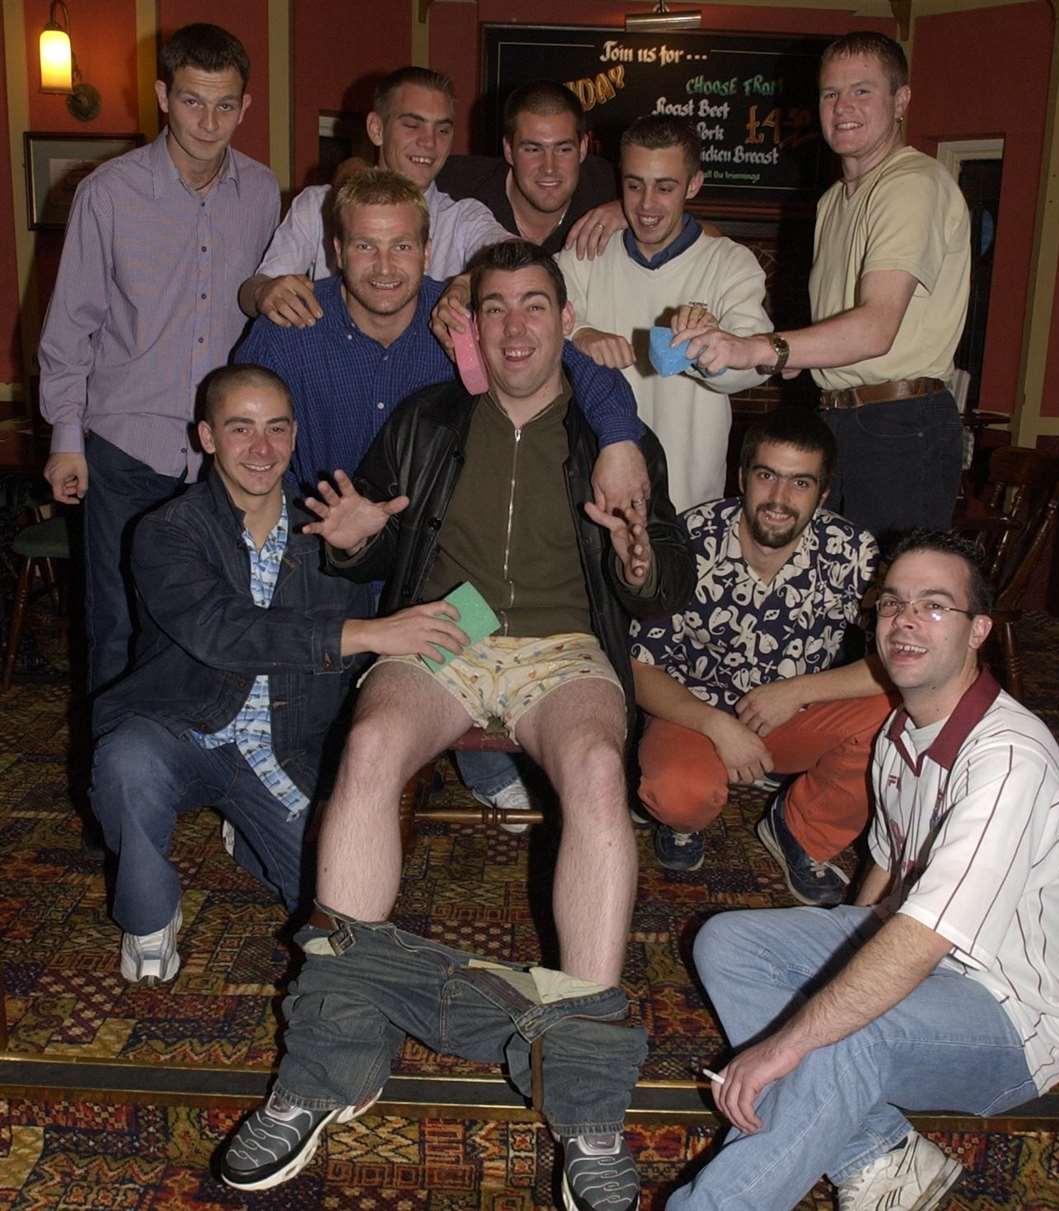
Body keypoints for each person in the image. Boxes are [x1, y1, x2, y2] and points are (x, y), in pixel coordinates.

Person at [219, 239, 692, 1200]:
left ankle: (591, 1106)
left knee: (600, 772)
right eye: (495, 309)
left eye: (533, 306)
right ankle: (325, 1064)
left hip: (563, 637)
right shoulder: (432, 417)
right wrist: (356, 544)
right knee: (373, 742)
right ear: (471, 325)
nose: (515, 326)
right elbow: (374, 536)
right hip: (455, 618)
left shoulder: (611, 439)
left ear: (563, 319)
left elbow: (661, 581)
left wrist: (637, 560)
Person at [667, 531, 1059, 1211]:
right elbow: (887, 873)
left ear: (979, 630)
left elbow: (919, 939)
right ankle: (878, 1151)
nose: (906, 620)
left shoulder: (1010, 760)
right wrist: (835, 953)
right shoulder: (897, 733)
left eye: (934, 605)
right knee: (727, 942)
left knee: (842, 1032)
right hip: (933, 954)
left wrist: (790, 1039)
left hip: (1015, 1018)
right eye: (892, 604)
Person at [237, 167, 651, 825]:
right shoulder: (294, 325)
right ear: (336, 251)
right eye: (365, 247)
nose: (383, 266)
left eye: (402, 245)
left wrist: (621, 435)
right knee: (309, 652)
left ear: (428, 253)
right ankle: (282, 792)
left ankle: (476, 754)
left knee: (480, 591)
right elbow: (238, 437)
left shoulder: (459, 323)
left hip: (423, 563)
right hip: (317, 545)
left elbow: (564, 360)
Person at [89, 365, 470, 985]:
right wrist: (370, 633)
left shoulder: (333, 524)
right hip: (181, 728)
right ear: (207, 437)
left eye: (276, 429)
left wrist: (367, 556)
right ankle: (149, 916)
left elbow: (446, 591)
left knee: (344, 926)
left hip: (288, 753)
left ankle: (249, 829)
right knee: (126, 765)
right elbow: (225, 631)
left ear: (295, 436)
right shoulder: (166, 532)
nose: (261, 449)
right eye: (240, 429)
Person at [38, 23, 280, 697]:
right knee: (117, 625)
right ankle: (119, 787)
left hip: (223, 461)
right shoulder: (107, 194)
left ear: (246, 107)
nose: (209, 121)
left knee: (214, 626)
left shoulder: (263, 193)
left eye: (225, 104)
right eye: (194, 101)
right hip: (124, 451)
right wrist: (65, 439)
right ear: (163, 96)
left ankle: (200, 768)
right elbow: (70, 329)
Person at [679, 32, 970, 538]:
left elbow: (876, 329)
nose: (843, 107)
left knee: (894, 602)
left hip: (900, 424)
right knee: (836, 596)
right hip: (840, 422)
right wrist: (792, 354)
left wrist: (761, 349)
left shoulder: (910, 183)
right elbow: (839, 334)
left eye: (862, 91)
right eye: (830, 94)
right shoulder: (834, 200)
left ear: (901, 100)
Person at [631, 407, 892, 900]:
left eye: (800, 483)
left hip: (795, 716)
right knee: (678, 794)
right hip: (695, 714)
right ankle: (683, 815)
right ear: (742, 477)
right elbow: (639, 665)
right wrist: (717, 726)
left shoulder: (853, 551)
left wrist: (796, 691)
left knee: (891, 712)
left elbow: (900, 659)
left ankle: (800, 830)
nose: (779, 499)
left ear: (823, 492)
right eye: (767, 476)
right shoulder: (691, 538)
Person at [558, 115, 773, 513]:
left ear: (693, 184)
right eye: (634, 185)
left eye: (665, 187)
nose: (646, 205)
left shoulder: (730, 262)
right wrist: (582, 334)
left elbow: (754, 365)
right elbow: (540, 321)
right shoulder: (586, 255)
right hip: (595, 490)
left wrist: (710, 350)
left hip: (691, 497)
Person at [239, 66, 516, 327]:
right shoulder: (316, 205)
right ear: (376, 129)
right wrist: (264, 291)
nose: (430, 142)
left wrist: (472, 280)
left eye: (442, 130)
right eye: (412, 125)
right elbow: (257, 288)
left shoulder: (463, 217)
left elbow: (523, 258)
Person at [436, 79, 618, 255]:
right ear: (508, 150)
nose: (549, 167)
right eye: (532, 149)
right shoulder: (458, 186)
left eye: (563, 149)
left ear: (583, 148)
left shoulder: (609, 186)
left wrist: (628, 211)